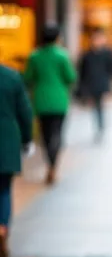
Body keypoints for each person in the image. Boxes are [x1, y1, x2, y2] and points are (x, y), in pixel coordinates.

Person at [24, 24, 77, 185]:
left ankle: (50, 164)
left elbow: (27, 78)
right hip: (60, 101)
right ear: (57, 38)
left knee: (45, 136)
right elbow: (71, 77)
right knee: (58, 134)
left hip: (41, 100)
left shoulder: (34, 56)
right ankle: (53, 166)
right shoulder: (62, 56)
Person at [0, 63, 33, 257]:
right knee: (3, 190)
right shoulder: (11, 76)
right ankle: (2, 229)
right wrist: (27, 139)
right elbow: (25, 111)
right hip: (6, 142)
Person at [78, 28, 112, 142]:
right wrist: (83, 90)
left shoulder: (107, 53)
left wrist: (109, 89)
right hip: (91, 85)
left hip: (102, 84)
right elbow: (82, 73)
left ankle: (101, 126)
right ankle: (99, 126)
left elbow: (111, 71)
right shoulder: (87, 55)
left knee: (100, 107)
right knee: (95, 107)